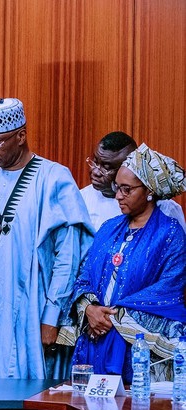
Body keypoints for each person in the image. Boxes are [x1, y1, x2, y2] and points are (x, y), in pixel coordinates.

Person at [0, 98, 92, 379]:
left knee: (25, 393)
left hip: (31, 313)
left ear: (21, 136)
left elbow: (69, 257)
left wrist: (52, 317)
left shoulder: (53, 178)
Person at [69, 144, 186, 382]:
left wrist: (115, 317)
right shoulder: (108, 228)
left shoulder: (171, 233)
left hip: (141, 356)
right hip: (96, 341)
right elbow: (83, 277)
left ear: (149, 191)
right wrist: (90, 309)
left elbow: (169, 292)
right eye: (117, 188)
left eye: (127, 189)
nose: (119, 196)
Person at [81, 131, 185, 231]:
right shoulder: (80, 199)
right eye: (95, 162)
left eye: (107, 167)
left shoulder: (165, 209)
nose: (95, 172)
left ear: (128, 168)